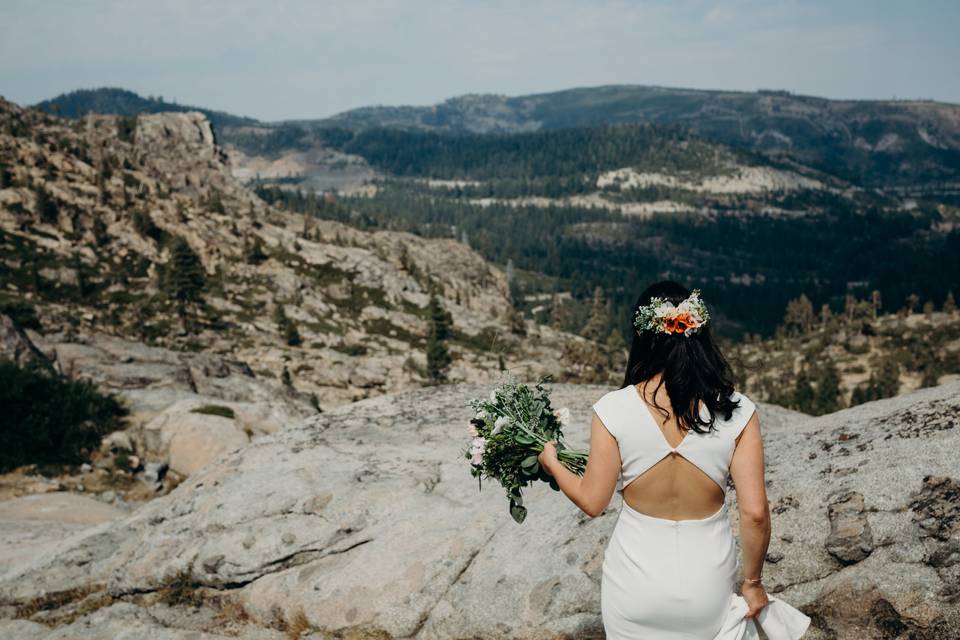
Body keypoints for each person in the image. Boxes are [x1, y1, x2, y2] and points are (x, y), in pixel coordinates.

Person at [538, 280, 810, 639]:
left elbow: (592, 500)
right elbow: (755, 513)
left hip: (633, 587)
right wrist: (753, 582)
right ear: (698, 332)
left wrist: (551, 461)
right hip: (706, 587)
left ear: (643, 337)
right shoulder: (738, 412)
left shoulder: (613, 410)